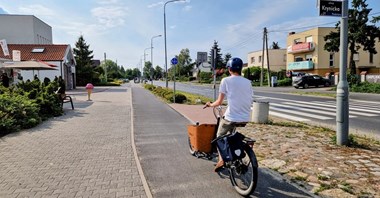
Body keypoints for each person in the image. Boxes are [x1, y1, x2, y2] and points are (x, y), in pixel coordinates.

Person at [204, 57, 253, 172]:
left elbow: (219, 102)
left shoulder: (226, 80)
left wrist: (210, 105)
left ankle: (221, 160)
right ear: (240, 69)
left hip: (232, 116)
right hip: (245, 117)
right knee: (232, 135)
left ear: (229, 69)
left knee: (219, 137)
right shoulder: (248, 82)